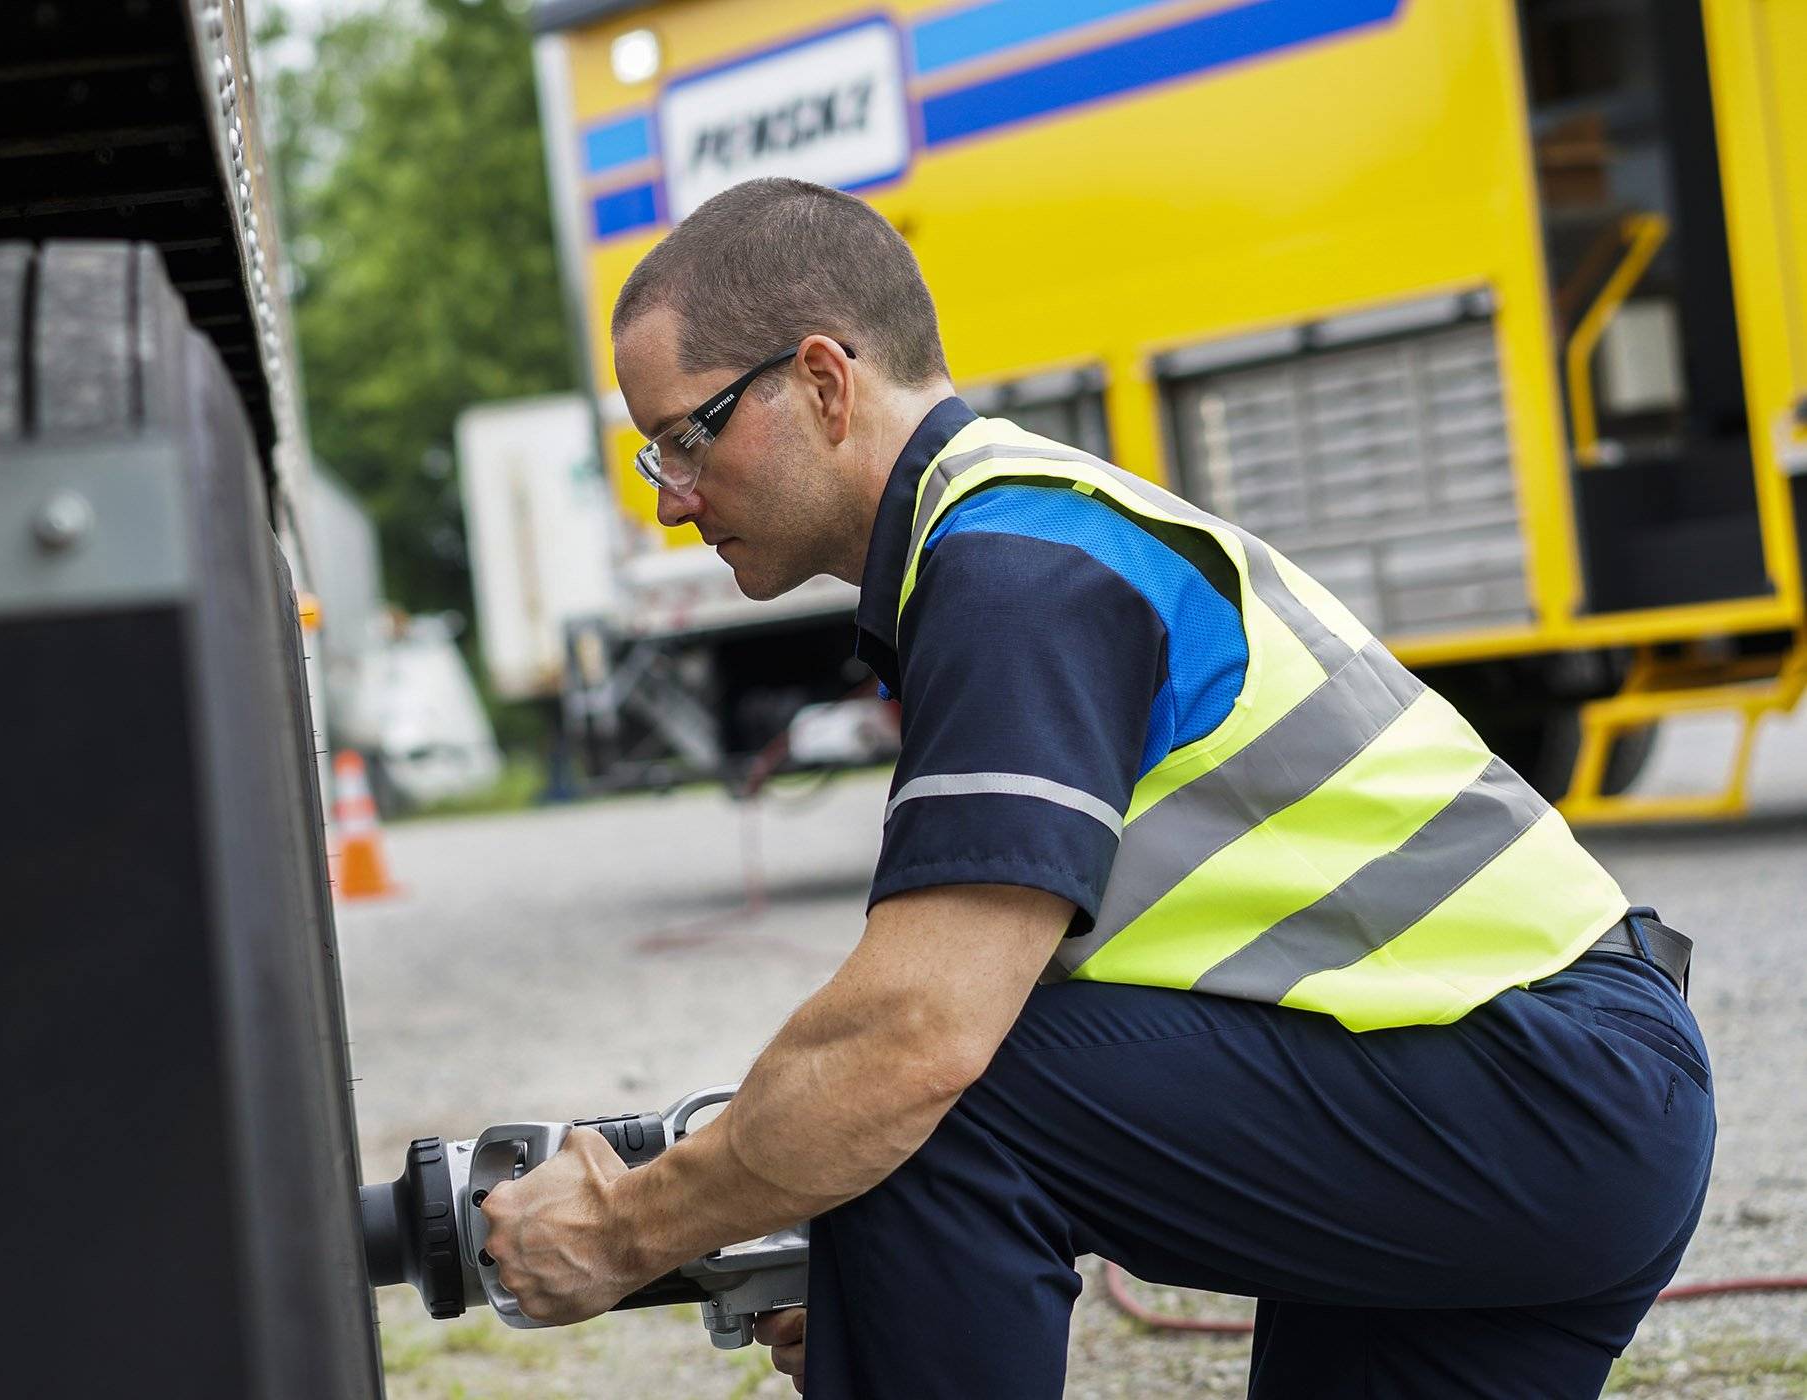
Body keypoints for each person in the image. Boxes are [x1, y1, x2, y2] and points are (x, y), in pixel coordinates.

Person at [477, 177, 1715, 1399]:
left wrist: (629, 1226)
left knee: (931, 1107)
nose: (669, 495)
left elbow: (914, 1044)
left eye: (687, 433)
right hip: (1538, 1099)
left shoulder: (1018, 570)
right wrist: (895, 1283)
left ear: (822, 380)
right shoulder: (1019, 535)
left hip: (1539, 1083)